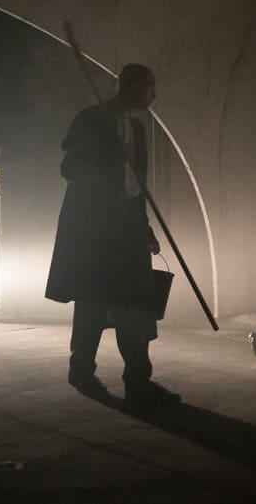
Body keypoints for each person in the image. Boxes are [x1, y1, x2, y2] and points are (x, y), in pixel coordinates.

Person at [45, 63, 179, 407]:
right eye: (149, 86)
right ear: (132, 87)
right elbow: (69, 168)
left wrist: (144, 227)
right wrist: (106, 156)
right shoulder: (93, 120)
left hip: (128, 227)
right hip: (96, 229)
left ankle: (138, 381)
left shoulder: (136, 128)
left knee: (135, 305)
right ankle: (81, 371)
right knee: (92, 300)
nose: (154, 94)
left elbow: (135, 188)